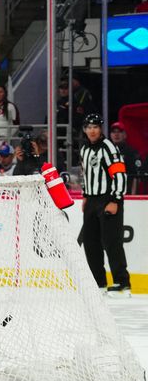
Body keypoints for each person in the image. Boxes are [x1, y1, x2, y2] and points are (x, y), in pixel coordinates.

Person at [79, 114, 131, 297]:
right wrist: (85, 195)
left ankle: (122, 283)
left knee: (112, 243)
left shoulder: (109, 147)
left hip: (108, 199)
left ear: (101, 129)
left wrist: (115, 200)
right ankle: (98, 283)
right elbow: (85, 173)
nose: (92, 130)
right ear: (85, 129)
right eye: (89, 127)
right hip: (92, 200)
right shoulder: (84, 148)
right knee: (91, 243)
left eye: (95, 127)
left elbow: (120, 174)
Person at [109, 122, 144, 193]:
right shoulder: (106, 151)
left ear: (125, 135)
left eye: (119, 132)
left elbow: (136, 177)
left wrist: (132, 197)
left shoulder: (132, 153)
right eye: (114, 132)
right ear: (110, 135)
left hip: (126, 194)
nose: (116, 134)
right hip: (108, 194)